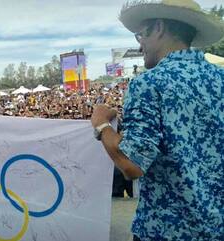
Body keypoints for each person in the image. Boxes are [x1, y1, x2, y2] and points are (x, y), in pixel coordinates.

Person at [91, 0, 224, 240]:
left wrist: (101, 124)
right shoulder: (221, 78)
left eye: (141, 35)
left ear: (160, 28)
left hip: (165, 229)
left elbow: (131, 164)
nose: (140, 46)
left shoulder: (148, 84)